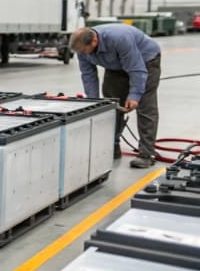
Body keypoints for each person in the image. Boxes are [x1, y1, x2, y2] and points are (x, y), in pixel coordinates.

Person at [69, 25, 161, 168]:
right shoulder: (82, 49)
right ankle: (113, 147)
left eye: (85, 51)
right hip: (115, 67)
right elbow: (88, 75)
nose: (83, 54)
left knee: (145, 107)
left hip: (145, 61)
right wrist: (94, 101)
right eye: (81, 52)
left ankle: (146, 154)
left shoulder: (119, 38)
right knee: (111, 105)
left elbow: (137, 68)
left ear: (94, 41)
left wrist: (134, 96)